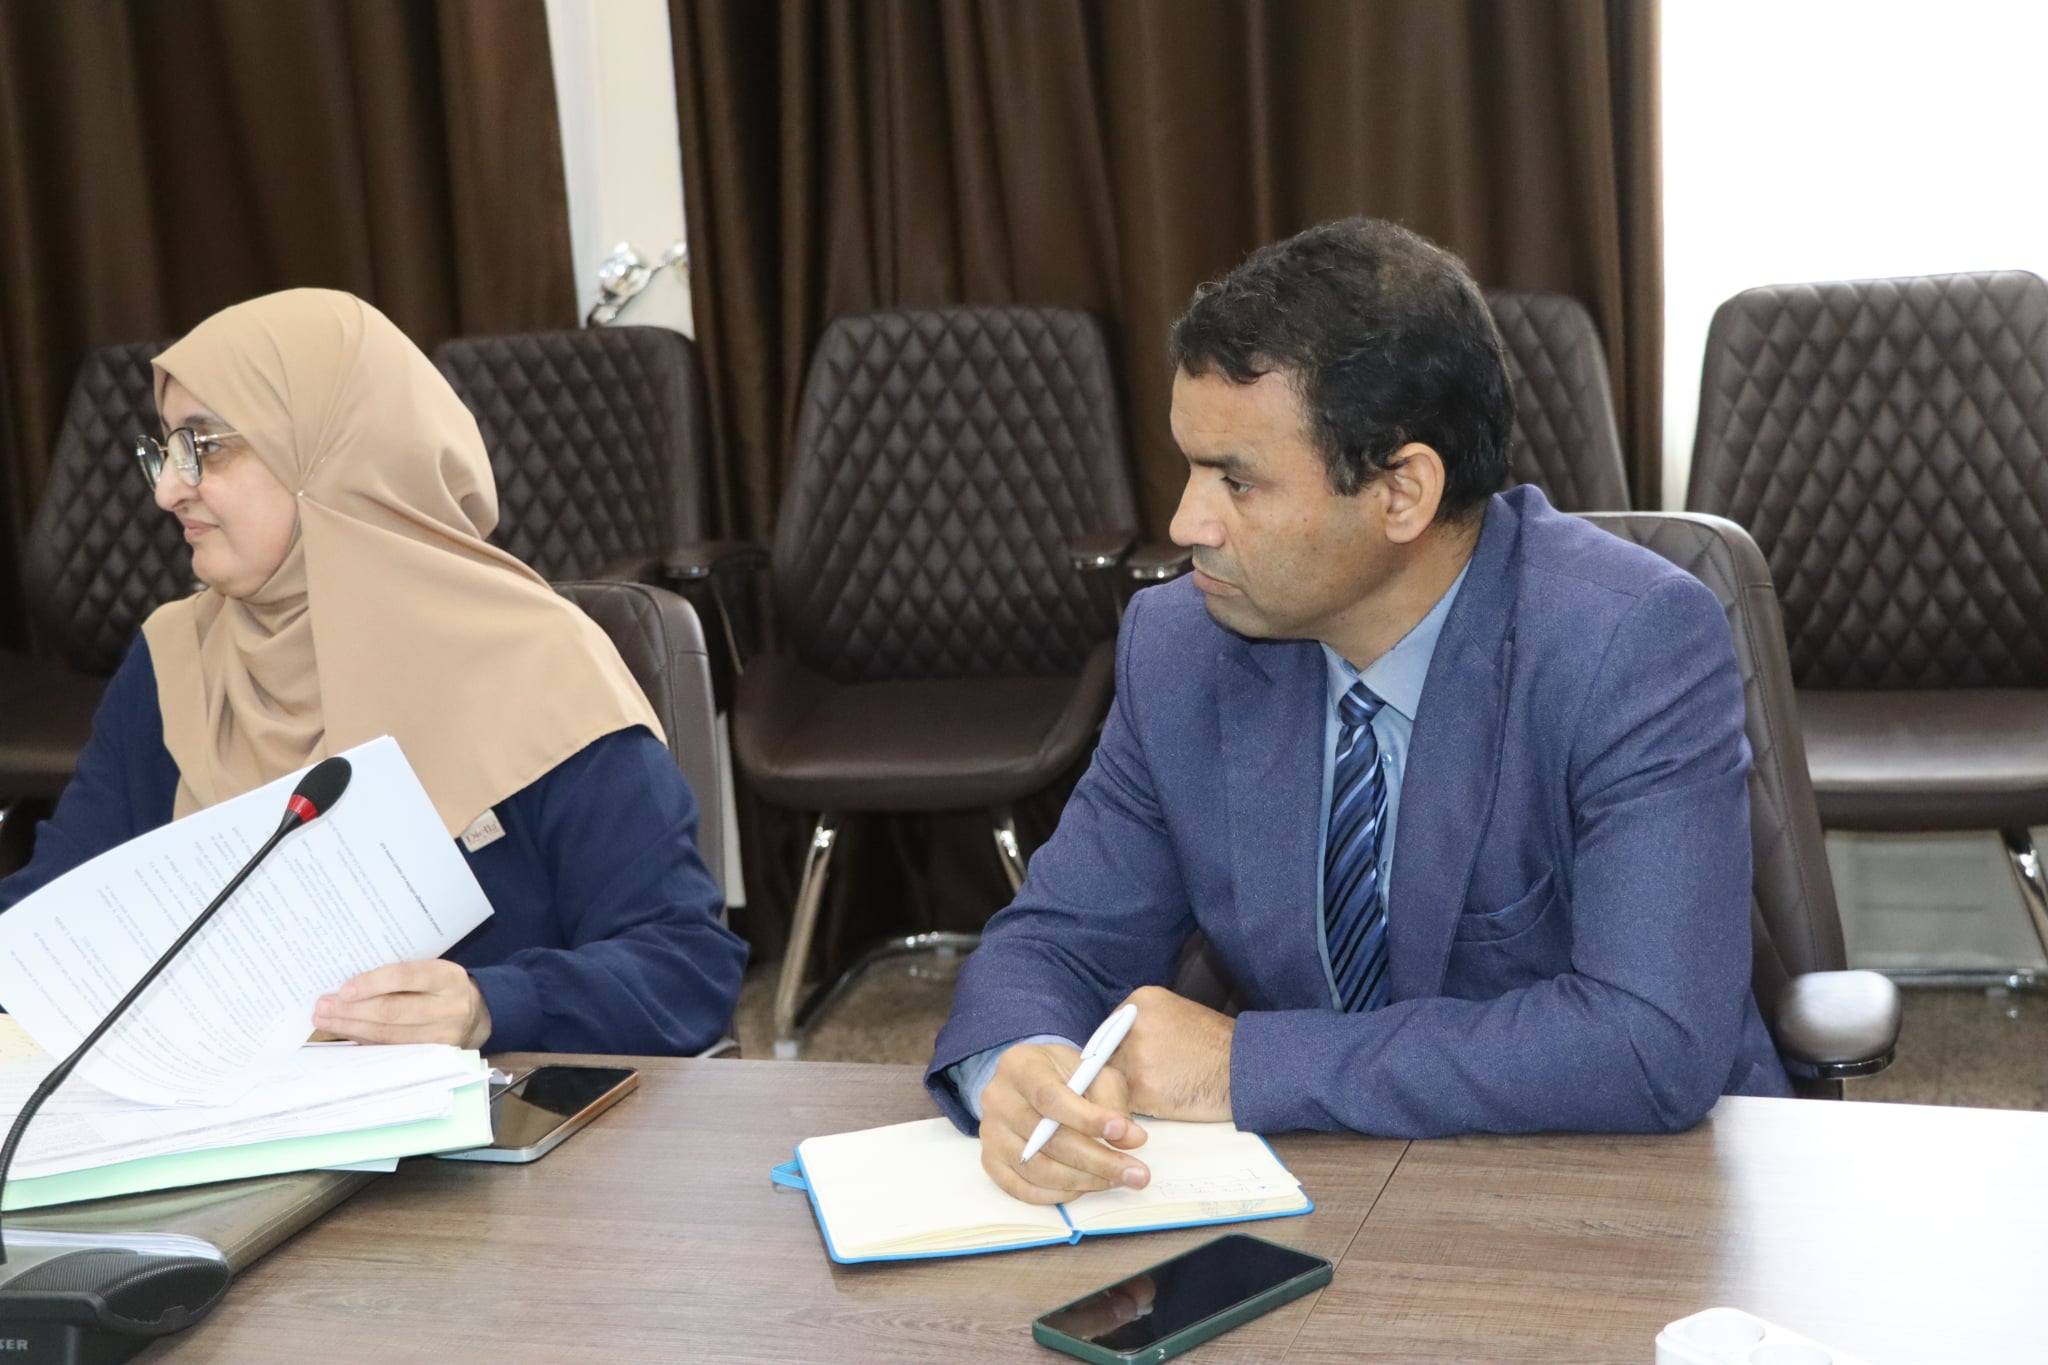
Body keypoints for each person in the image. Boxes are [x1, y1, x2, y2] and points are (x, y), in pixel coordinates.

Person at [927, 218, 1790, 1205]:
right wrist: (1021, 1059)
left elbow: (1647, 1041)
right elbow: (1057, 943)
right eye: (1190, 467)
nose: (1184, 522)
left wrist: (1242, 1065)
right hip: (1324, 1188)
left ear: (1401, 493)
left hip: (1618, 1190)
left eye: (1235, 480)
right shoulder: (1180, 647)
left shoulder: (1627, 643)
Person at [0, 288, 746, 1055]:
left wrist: (490, 1005)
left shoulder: (538, 665)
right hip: (220, 1114)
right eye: (165, 447)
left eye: (206, 445)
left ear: (327, 452)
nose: (167, 488)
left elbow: (684, 967)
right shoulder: (174, 661)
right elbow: (40, 926)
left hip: (490, 1119)